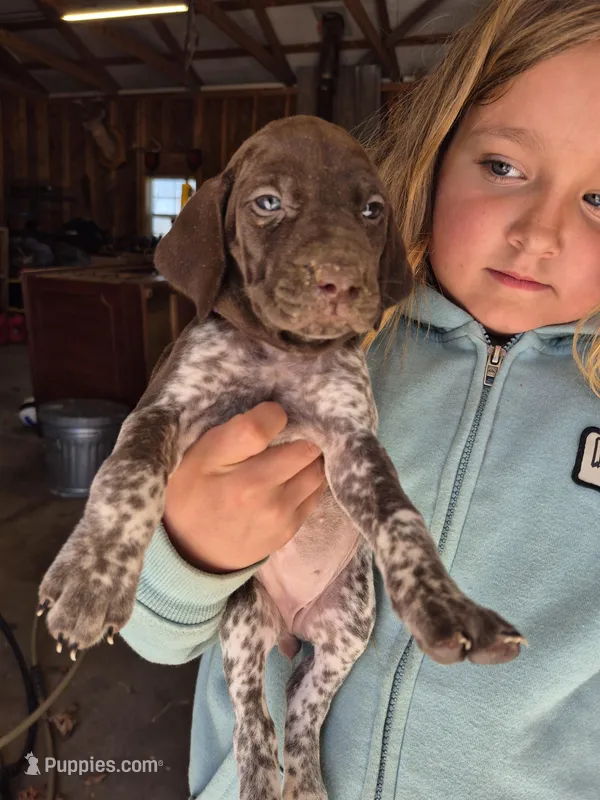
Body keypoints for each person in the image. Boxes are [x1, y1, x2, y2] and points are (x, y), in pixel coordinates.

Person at [120, 1, 600, 797]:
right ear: (432, 157)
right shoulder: (297, 351)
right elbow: (145, 629)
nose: (538, 233)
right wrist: (189, 551)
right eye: (503, 168)